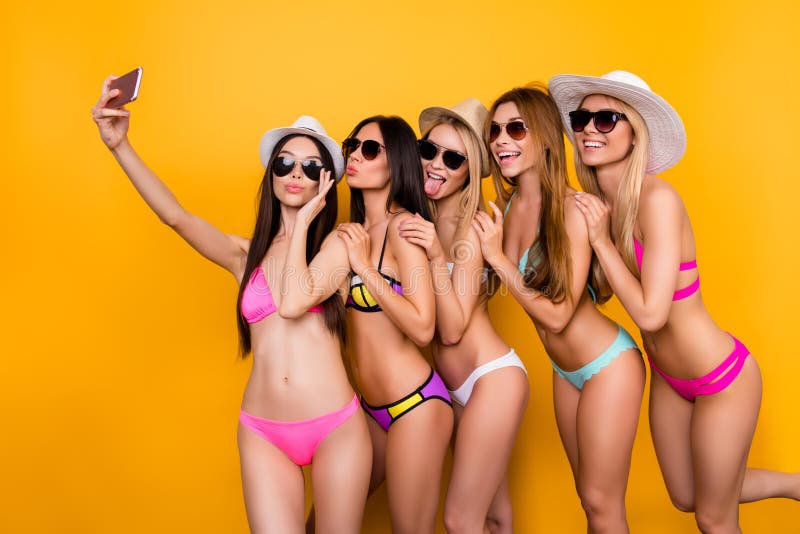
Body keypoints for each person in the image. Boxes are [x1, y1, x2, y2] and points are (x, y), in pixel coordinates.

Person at [91, 75, 371, 533]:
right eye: (284, 163)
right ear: (271, 175)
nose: (295, 173)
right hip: (263, 432)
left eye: (309, 165)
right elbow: (177, 217)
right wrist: (119, 146)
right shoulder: (245, 257)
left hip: (335, 429)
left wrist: (303, 223)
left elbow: (296, 301)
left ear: (327, 180)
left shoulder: (339, 244)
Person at [549, 70, 800, 532]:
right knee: (687, 497)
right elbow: (598, 293)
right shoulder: (599, 203)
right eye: (582, 118)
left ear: (634, 132)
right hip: (668, 376)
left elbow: (650, 311)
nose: (588, 128)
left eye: (606, 119)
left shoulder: (658, 198)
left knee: (712, 517)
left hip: (721, 378)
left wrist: (601, 242)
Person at [471, 85, 645, 533]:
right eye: (495, 131)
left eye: (516, 129)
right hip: (564, 371)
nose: (501, 140)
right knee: (589, 502)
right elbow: (485, 288)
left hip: (609, 365)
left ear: (546, 136)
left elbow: (556, 315)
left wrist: (497, 257)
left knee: (602, 502)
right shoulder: (508, 208)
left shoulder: (572, 209)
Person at [395, 98, 528, 533]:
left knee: (458, 519)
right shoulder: (414, 216)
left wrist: (435, 252)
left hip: (491, 378)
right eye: (428, 150)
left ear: (471, 170)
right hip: (450, 390)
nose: (436, 164)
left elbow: (450, 330)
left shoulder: (474, 228)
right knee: (494, 516)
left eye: (453, 159)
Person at [337, 115, 453, 534]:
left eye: (370, 150)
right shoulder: (351, 232)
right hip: (368, 409)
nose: (355, 156)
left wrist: (366, 271)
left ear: (397, 163)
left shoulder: (405, 229)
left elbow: (423, 327)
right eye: (352, 145)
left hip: (415, 407)